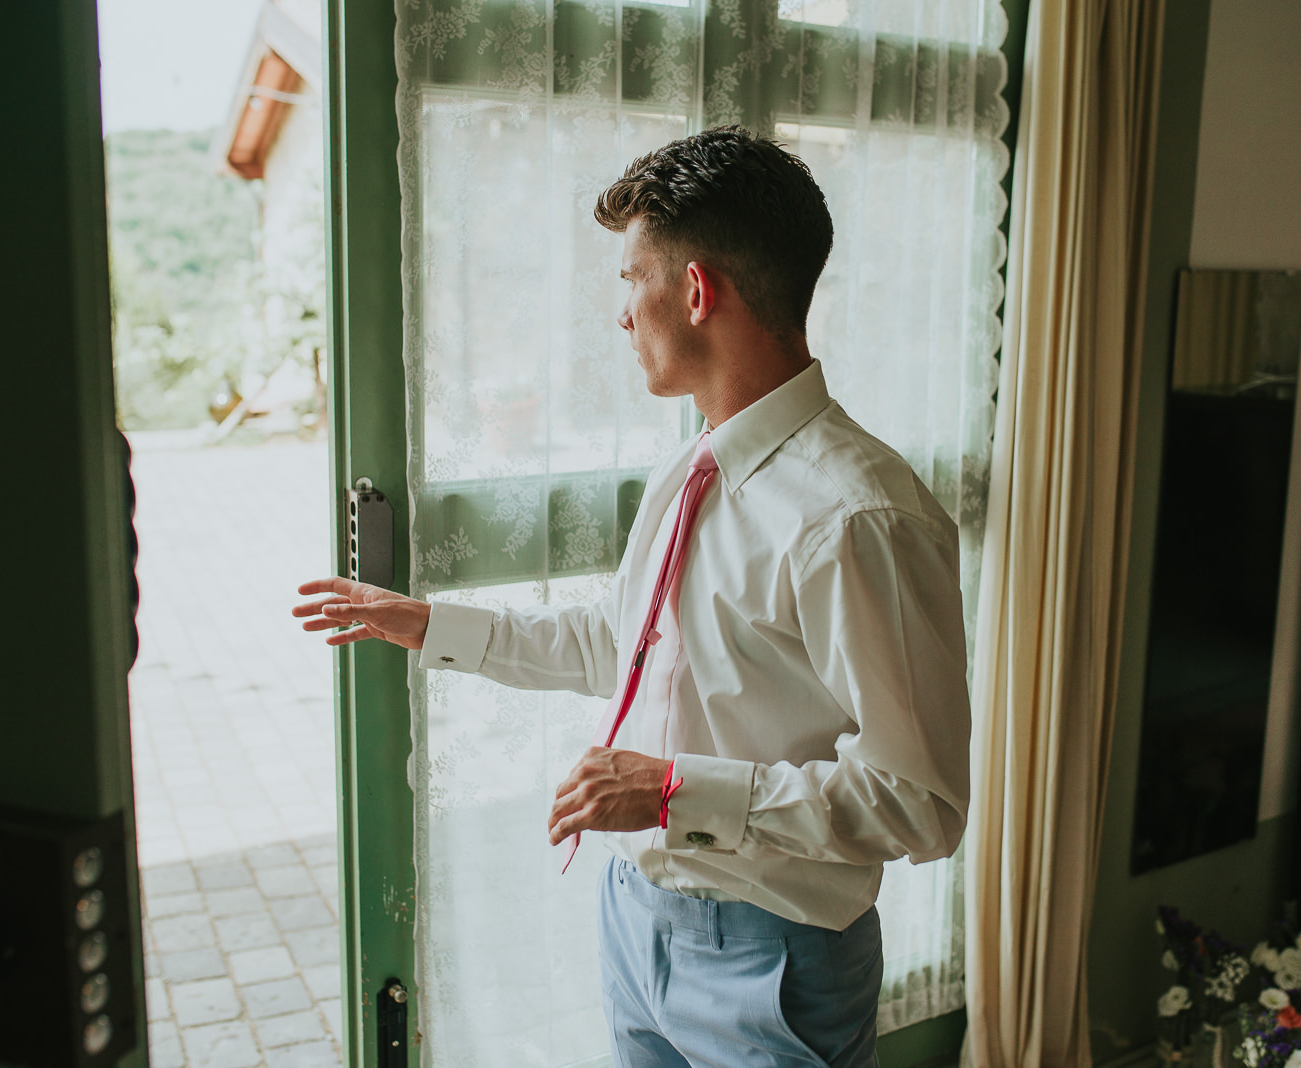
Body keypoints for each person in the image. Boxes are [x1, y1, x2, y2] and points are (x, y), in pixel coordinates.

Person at [293, 126, 971, 1068]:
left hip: (772, 959)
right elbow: (620, 644)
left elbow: (918, 803)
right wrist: (427, 624)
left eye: (630, 278)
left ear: (695, 291)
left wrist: (671, 788)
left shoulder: (858, 516)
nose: (620, 315)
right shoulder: (688, 469)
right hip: (633, 919)